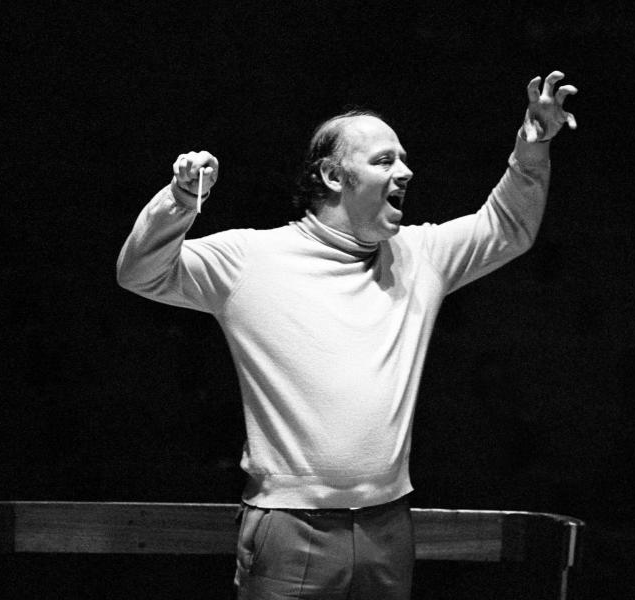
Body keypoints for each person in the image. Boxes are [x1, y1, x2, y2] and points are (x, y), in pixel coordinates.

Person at [116, 71, 577, 600]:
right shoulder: (251, 259)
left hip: (389, 526)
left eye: (402, 158)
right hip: (290, 528)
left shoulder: (418, 255)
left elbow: (507, 228)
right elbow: (140, 272)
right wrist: (179, 200)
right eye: (384, 161)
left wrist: (533, 146)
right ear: (334, 177)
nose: (405, 171)